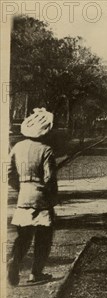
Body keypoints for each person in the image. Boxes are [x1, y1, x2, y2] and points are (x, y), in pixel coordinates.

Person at [7, 108, 58, 286]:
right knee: (44, 237)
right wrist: (51, 197)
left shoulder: (17, 147)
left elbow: (9, 173)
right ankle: (36, 273)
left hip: (24, 197)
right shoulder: (46, 150)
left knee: (24, 235)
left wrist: (21, 187)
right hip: (41, 198)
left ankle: (14, 262)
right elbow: (49, 177)